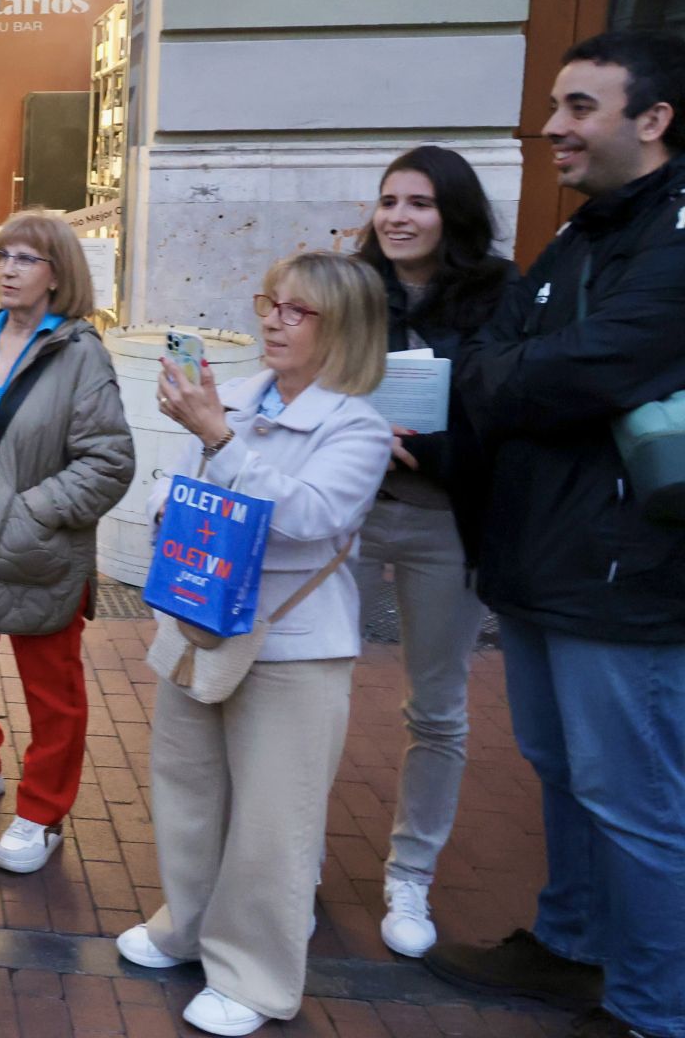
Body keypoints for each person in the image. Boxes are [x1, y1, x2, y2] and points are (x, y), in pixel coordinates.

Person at [430, 31, 685, 1038]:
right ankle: (570, 942)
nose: (552, 127)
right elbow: (499, 358)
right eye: (554, 105)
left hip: (627, 575)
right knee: (563, 769)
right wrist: (518, 375)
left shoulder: (672, 239)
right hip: (541, 560)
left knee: (636, 800)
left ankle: (653, 1008)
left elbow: (566, 369)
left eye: (579, 106)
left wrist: (516, 376)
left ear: (651, 119)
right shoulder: (578, 239)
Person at [118, 250, 391, 1037]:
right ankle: (187, 927)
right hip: (201, 624)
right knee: (188, 791)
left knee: (277, 817)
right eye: (270, 302)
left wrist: (221, 445)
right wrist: (192, 472)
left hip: (296, 644)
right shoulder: (232, 395)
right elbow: (174, 488)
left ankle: (257, 976)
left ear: (343, 328)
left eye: (296, 311)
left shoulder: (358, 426)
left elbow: (311, 517)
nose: (272, 320)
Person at [0, 210, 134, 872]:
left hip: (37, 548)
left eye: (26, 258)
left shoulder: (80, 353)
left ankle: (42, 811)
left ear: (58, 273)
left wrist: (33, 512)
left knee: (52, 689)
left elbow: (109, 462)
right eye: (1, 254)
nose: (7, 268)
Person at [350, 146, 515, 958]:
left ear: (452, 213)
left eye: (418, 202)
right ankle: (291, 855)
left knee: (437, 708)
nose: (398, 217)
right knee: (304, 683)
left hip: (443, 518)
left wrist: (440, 449)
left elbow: (510, 413)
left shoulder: (500, 297)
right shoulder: (350, 288)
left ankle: (411, 873)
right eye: (388, 201)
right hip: (348, 510)